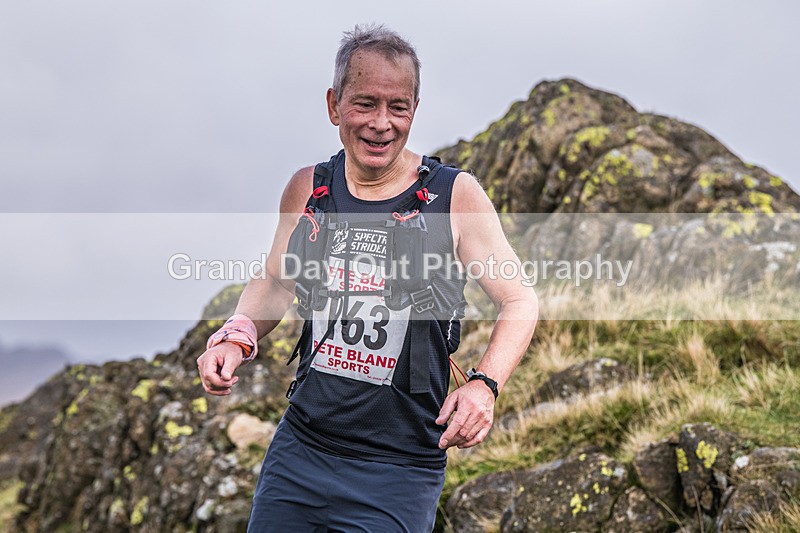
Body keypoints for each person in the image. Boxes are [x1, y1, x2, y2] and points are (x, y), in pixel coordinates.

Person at [196, 24, 538, 532]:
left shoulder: (453, 196)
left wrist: (484, 386)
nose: (382, 124)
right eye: (365, 104)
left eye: (398, 107)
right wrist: (238, 332)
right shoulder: (309, 189)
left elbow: (519, 301)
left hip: (399, 470)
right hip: (301, 453)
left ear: (415, 109)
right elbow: (275, 281)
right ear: (334, 105)